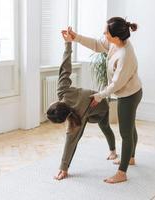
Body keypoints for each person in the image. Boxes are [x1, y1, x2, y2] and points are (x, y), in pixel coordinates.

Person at [66, 16, 143, 183]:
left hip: (129, 95)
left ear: (115, 36)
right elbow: (96, 44)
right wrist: (76, 37)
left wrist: (99, 96)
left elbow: (116, 84)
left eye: (106, 32)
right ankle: (131, 158)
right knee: (130, 126)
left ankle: (122, 173)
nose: (103, 34)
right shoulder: (116, 43)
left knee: (125, 132)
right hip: (130, 91)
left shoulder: (125, 55)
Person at [47, 30, 117, 180]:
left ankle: (113, 150)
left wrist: (63, 168)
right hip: (83, 111)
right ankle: (111, 149)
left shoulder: (64, 94)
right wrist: (67, 44)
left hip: (101, 107)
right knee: (76, 132)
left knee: (105, 127)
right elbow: (65, 68)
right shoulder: (62, 92)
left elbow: (69, 141)